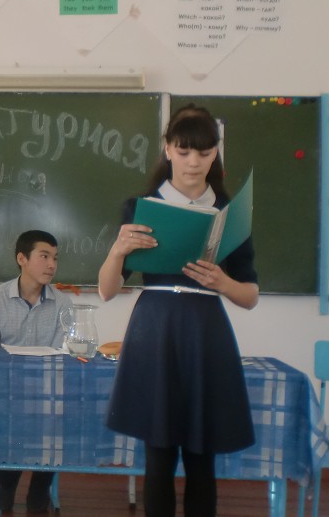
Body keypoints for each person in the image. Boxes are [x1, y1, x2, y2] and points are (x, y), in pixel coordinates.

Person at [96, 104, 259, 517]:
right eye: (184, 152)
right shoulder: (142, 207)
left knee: (203, 456)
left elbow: (250, 295)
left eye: (203, 153)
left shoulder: (229, 211)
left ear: (215, 154)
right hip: (155, 330)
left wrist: (223, 283)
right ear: (167, 149)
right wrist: (117, 251)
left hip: (206, 332)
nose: (193, 162)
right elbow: (107, 290)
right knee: (159, 454)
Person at [0, 229, 74, 514]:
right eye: (44, 256)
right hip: (7, 389)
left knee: (55, 412)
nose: (52, 265)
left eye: (55, 258)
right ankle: (6, 486)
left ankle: (39, 491)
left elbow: (62, 355)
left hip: (47, 391)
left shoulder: (63, 304)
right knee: (13, 417)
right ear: (22, 258)